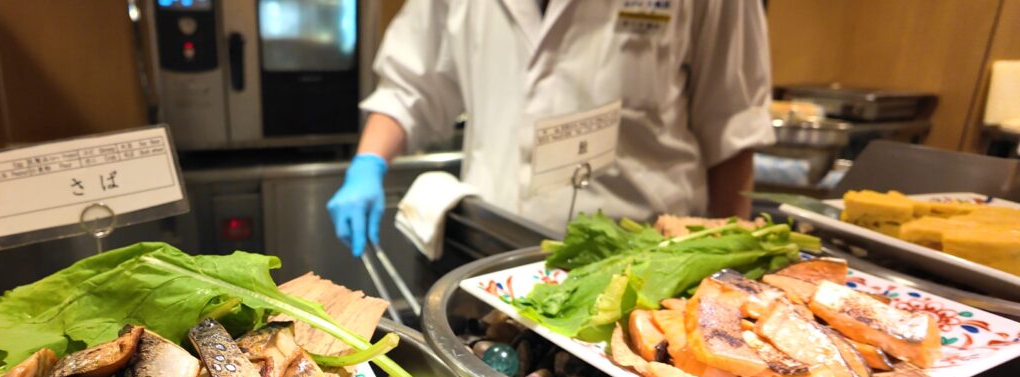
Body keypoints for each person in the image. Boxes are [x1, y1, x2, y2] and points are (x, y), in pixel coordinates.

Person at [327, 0, 775, 256]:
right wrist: (368, 162)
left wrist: (723, 259)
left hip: (644, 259)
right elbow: (412, 84)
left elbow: (733, 126)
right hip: (491, 253)